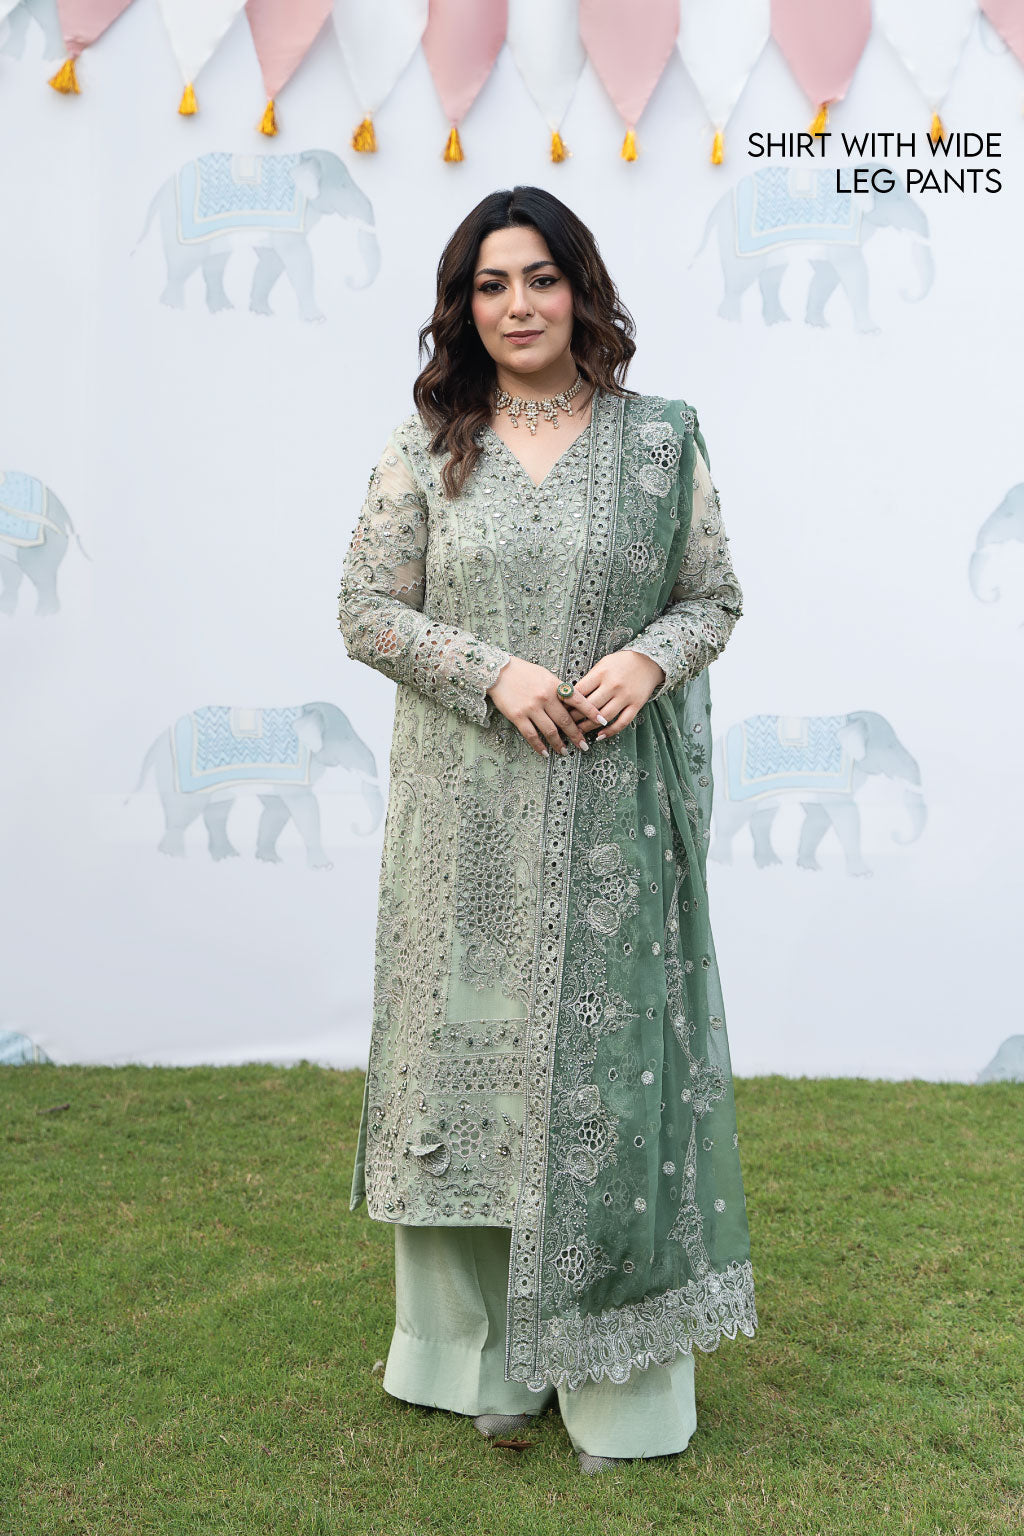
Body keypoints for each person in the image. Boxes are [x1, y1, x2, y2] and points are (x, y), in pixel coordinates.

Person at [337, 185, 757, 1474]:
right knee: (469, 1086)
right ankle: (485, 1365)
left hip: (614, 824)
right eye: (489, 285)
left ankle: (621, 1390)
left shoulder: (660, 442)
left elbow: (714, 595)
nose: (516, 306)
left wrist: (649, 657)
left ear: (581, 290)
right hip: (466, 823)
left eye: (540, 278)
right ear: (463, 307)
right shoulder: (428, 447)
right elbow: (366, 609)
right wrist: (495, 673)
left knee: (610, 1095)